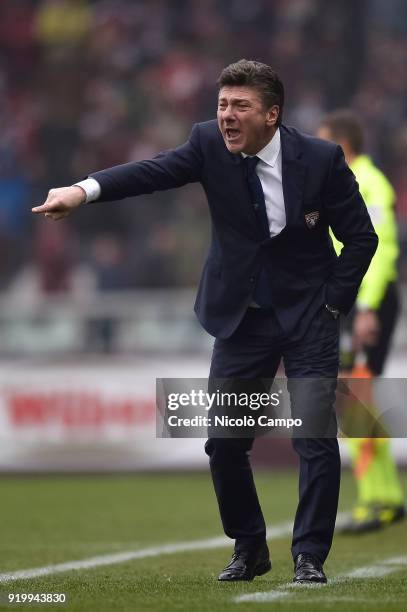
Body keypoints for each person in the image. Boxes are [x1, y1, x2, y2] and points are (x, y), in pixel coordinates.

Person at [32, 60, 378, 584]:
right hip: (242, 318)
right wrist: (83, 191)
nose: (226, 117)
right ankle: (250, 546)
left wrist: (333, 303)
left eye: (240, 106)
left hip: (309, 316)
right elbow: (150, 172)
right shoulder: (206, 144)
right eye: (222, 105)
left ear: (272, 113)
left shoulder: (321, 158)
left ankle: (309, 555)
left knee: (313, 436)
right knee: (224, 441)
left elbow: (362, 239)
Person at [317, 110, 405, 533]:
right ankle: (387, 497)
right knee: (360, 401)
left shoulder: (368, 182)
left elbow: (383, 248)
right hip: (357, 300)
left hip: (370, 301)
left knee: (355, 401)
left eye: (323, 141)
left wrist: (368, 308)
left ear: (341, 144)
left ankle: (378, 500)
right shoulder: (353, 181)